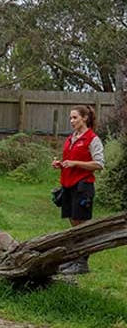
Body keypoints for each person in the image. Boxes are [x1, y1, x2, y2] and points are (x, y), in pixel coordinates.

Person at [52, 105, 104, 275]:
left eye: (75, 117)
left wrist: (75, 163)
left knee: (82, 226)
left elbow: (99, 164)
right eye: (70, 118)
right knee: (74, 225)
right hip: (68, 186)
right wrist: (60, 164)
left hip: (83, 187)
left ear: (85, 118)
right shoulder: (70, 139)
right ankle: (74, 260)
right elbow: (70, 161)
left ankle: (82, 264)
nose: (71, 121)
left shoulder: (92, 139)